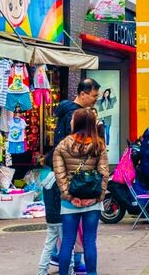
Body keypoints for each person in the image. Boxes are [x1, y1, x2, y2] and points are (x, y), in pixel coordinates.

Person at [39, 78, 100, 274]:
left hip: (69, 187)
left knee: (68, 236)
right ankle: (79, 263)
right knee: (85, 236)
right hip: (82, 187)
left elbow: (58, 159)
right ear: (83, 94)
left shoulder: (65, 114)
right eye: (93, 96)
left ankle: (69, 262)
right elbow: (102, 169)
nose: (95, 100)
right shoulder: (77, 117)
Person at [52, 108, 109, 275]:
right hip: (92, 199)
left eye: (73, 119)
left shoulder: (62, 146)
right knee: (90, 241)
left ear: (77, 123)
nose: (70, 121)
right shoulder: (99, 145)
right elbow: (104, 173)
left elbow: (59, 174)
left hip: (70, 202)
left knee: (68, 241)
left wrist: (69, 196)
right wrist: (98, 197)